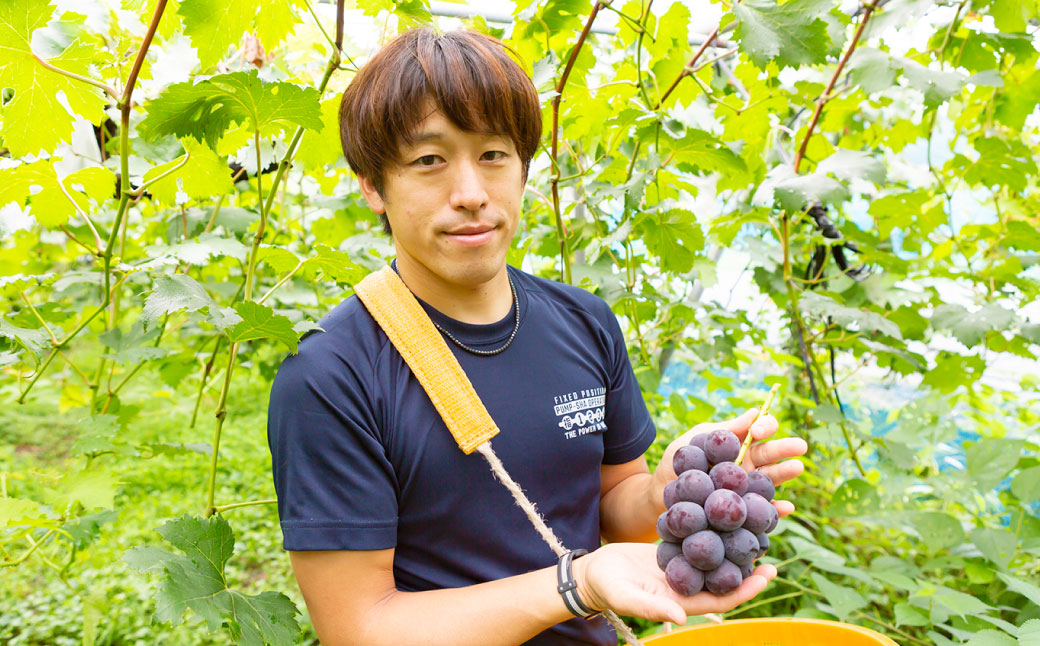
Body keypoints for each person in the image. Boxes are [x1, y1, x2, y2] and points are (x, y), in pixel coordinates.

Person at [267, 27, 808, 646]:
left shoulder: (585, 321)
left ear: (524, 166)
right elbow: (360, 629)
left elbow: (616, 508)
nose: (471, 195)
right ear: (371, 184)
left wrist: (665, 494)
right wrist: (576, 585)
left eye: (494, 154)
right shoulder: (331, 373)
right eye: (429, 160)